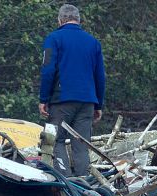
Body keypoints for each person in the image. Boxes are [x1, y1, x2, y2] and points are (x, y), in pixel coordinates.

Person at [38, 4, 106, 177]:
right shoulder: (93, 43)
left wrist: (43, 99)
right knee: (81, 145)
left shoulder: (54, 39)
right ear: (79, 20)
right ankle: (83, 186)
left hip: (61, 101)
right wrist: (98, 104)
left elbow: (47, 70)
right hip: (87, 102)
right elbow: (100, 76)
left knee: (55, 142)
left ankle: (65, 184)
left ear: (60, 20)